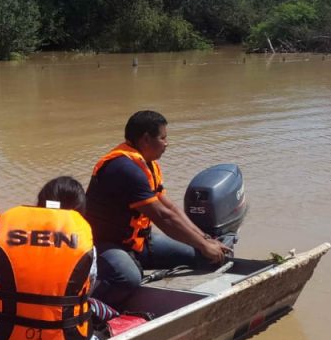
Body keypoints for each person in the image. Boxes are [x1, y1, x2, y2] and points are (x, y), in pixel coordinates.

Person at [0, 176, 117, 340]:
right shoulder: (84, 240)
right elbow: (86, 291)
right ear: (80, 212)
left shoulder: (3, 230)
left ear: (39, 204)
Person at [86, 110, 231, 308]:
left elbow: (169, 208)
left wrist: (204, 239)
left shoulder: (147, 165)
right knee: (128, 279)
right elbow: (163, 218)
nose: (166, 143)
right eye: (163, 138)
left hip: (138, 243)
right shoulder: (124, 169)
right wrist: (204, 245)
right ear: (146, 139)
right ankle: (89, 310)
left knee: (199, 255)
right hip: (105, 244)